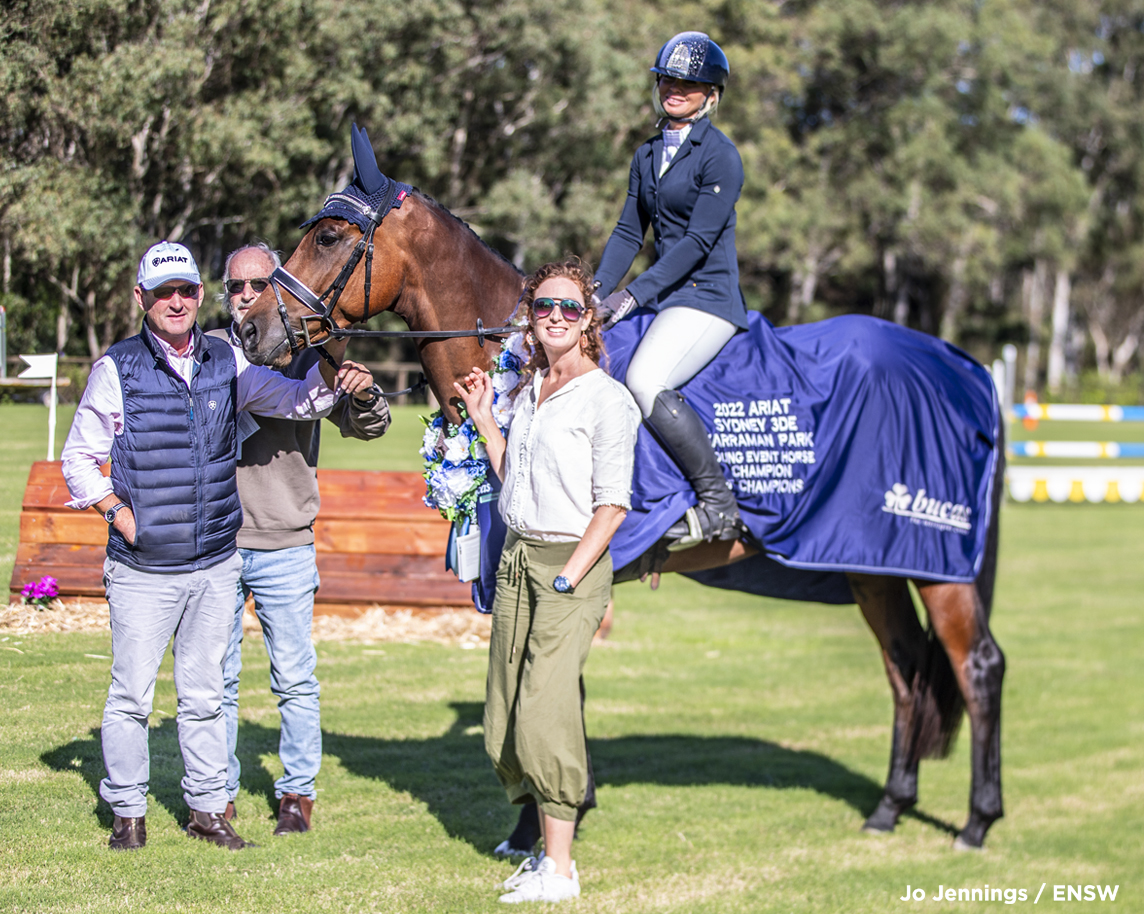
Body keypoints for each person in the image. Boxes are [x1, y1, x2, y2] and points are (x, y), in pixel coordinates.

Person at [61, 240, 371, 851]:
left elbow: (294, 399)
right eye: (162, 293)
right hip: (144, 567)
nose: (175, 301)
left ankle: (207, 813)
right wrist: (121, 517)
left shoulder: (225, 361)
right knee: (131, 696)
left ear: (199, 296)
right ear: (141, 299)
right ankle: (128, 814)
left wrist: (339, 376)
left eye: (185, 290)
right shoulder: (115, 368)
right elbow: (79, 459)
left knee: (204, 697)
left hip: (212, 565)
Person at [455, 259, 640, 904]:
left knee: (545, 711)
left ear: (587, 317)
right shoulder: (530, 390)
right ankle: (543, 847)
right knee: (503, 716)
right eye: (542, 307)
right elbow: (516, 479)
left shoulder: (607, 399)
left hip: (570, 568)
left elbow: (612, 505)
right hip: (516, 559)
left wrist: (566, 578)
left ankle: (560, 872)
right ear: (529, 319)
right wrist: (484, 419)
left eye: (568, 307)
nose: (555, 317)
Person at [211, 242, 390, 835]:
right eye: (235, 287)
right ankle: (219, 790)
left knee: (293, 678)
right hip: (215, 545)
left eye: (257, 285)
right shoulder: (206, 353)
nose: (245, 298)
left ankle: (297, 794)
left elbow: (368, 424)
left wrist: (360, 392)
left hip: (285, 542)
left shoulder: (312, 352)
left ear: (278, 287)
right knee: (216, 677)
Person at [593, 31, 747, 547]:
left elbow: (697, 242)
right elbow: (627, 232)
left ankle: (718, 504)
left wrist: (631, 296)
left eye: (690, 82)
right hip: (666, 297)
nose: (675, 88)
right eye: (668, 78)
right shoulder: (647, 154)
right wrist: (592, 295)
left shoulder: (720, 156)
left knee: (645, 379)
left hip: (706, 298)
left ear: (711, 93)